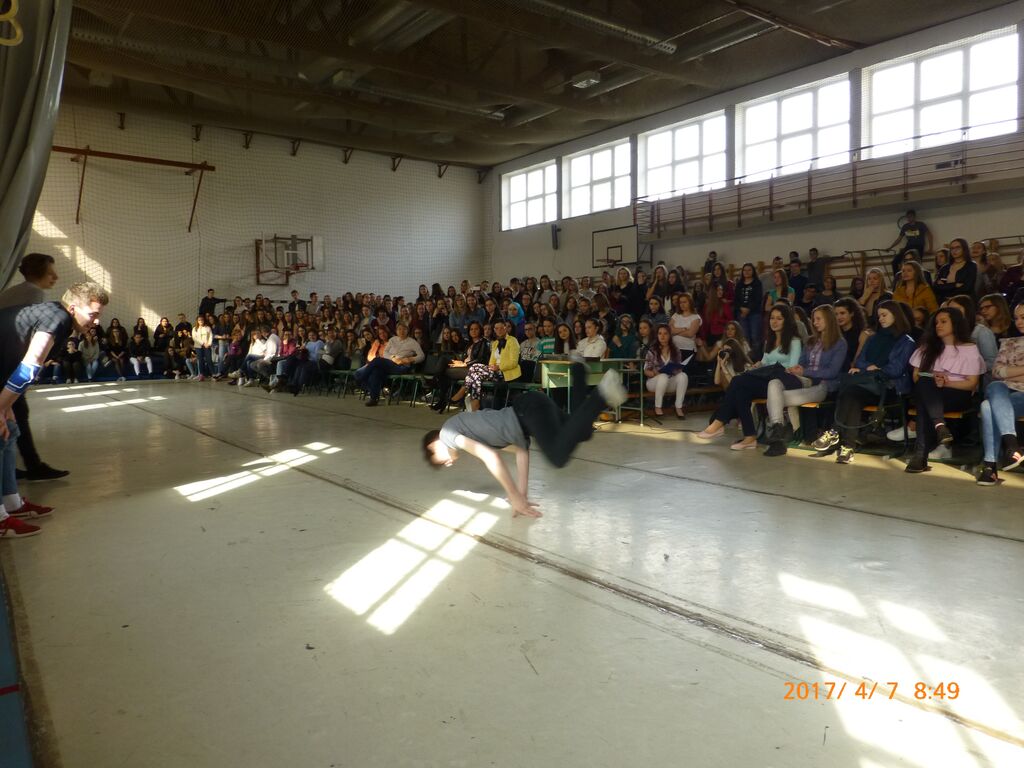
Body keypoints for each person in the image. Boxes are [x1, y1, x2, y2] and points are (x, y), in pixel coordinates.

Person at [422, 364, 627, 518]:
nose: (447, 464)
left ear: (433, 445)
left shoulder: (447, 435)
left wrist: (515, 497)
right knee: (583, 432)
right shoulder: (472, 431)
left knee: (558, 457)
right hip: (531, 406)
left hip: (528, 410)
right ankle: (579, 370)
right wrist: (521, 495)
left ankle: (601, 394)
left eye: (439, 460)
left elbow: (491, 458)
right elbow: (521, 451)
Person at [0, 283, 109, 488]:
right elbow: (29, 367)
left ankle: (12, 499)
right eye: (93, 314)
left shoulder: (55, 315)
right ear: (73, 308)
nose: (97, 321)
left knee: (11, 428)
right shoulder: (58, 318)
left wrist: (6, 407)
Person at [811, 301, 915, 464]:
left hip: (891, 388)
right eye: (879, 316)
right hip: (868, 384)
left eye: (884, 315)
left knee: (851, 393)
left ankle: (836, 433)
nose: (880, 319)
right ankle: (847, 446)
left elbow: (896, 369)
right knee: (851, 394)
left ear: (896, 315)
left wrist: (877, 369)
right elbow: (860, 361)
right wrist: (869, 368)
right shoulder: (873, 338)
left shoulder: (906, 341)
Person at [696, 304, 803, 449]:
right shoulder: (769, 341)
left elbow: (792, 367)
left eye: (779, 318)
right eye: (772, 318)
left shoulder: (794, 341)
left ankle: (719, 421)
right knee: (741, 391)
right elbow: (765, 362)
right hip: (766, 378)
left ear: (787, 321)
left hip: (780, 382)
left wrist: (768, 366)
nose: (774, 321)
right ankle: (749, 437)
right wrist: (759, 365)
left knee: (738, 380)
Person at [904, 308, 985, 473]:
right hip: (931, 393)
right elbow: (916, 377)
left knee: (924, 401)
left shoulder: (969, 348)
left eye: (943, 322)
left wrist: (945, 383)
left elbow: (971, 384)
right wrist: (935, 379)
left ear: (955, 324)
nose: (938, 326)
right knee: (925, 383)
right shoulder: (928, 347)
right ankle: (939, 426)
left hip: (957, 394)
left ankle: (921, 455)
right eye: (936, 323)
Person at [762, 305, 848, 457]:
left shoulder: (839, 343)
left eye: (818, 319)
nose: (815, 322)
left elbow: (832, 372)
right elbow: (801, 363)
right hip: (804, 381)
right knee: (773, 383)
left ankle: (777, 438)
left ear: (828, 319)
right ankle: (778, 431)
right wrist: (796, 369)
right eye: (814, 319)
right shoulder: (810, 341)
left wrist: (805, 371)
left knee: (773, 398)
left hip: (823, 384)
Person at [977, 302, 1024, 485]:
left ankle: (990, 466)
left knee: (987, 406)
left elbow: (1004, 371)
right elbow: (997, 372)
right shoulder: (1009, 342)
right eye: (1017, 318)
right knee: (995, 385)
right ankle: (1012, 445)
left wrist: (1010, 372)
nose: (1019, 321)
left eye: (1023, 317)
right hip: (1003, 391)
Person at [451, 319, 520, 412]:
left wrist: (499, 367)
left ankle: (465, 391)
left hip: (506, 373)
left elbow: (514, 362)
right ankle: (475, 403)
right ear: (494, 330)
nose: (499, 330)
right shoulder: (495, 343)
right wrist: (492, 366)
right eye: (496, 328)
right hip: (494, 371)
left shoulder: (513, 341)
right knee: (475, 375)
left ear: (505, 328)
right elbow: (491, 361)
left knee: (474, 367)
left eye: (501, 328)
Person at [354, 322, 424, 406]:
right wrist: (393, 358)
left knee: (377, 360)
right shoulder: (392, 340)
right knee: (376, 371)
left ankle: (360, 378)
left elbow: (421, 356)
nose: (402, 331)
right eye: (399, 329)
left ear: (407, 330)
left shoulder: (412, 342)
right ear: (396, 331)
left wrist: (409, 359)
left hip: (402, 366)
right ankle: (374, 399)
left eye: (404, 329)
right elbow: (385, 353)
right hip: (390, 363)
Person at [644, 324, 688, 418]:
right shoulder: (652, 350)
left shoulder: (675, 350)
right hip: (653, 382)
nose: (662, 336)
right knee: (663, 376)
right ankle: (658, 407)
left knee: (683, 376)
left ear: (669, 335)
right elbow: (646, 370)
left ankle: (678, 407)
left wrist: (673, 370)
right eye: (660, 333)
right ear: (657, 335)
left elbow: (678, 368)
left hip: (670, 380)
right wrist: (655, 373)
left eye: (665, 333)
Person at [887, 209, 933, 277]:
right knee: (894, 262)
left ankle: (918, 278)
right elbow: (899, 239)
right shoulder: (905, 227)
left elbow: (929, 235)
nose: (909, 218)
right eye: (908, 217)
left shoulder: (921, 225)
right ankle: (897, 278)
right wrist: (890, 247)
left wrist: (930, 248)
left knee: (917, 264)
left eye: (910, 216)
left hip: (919, 246)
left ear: (914, 217)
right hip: (909, 247)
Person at [934, 238, 977, 304]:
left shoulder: (971, 266)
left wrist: (945, 287)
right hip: (945, 302)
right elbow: (936, 287)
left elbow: (967, 288)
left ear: (964, 249)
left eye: (958, 247)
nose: (954, 250)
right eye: (952, 248)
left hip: (963, 302)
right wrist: (955, 285)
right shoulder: (945, 267)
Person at [734, 263, 763, 355]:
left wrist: (748, 309)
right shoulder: (739, 284)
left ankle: (757, 357)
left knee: (755, 336)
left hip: (754, 313)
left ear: (753, 271)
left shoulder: (757, 283)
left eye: (749, 270)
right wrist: (741, 309)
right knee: (745, 337)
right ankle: (747, 357)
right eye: (745, 270)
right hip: (741, 314)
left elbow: (758, 298)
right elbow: (736, 299)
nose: (746, 272)